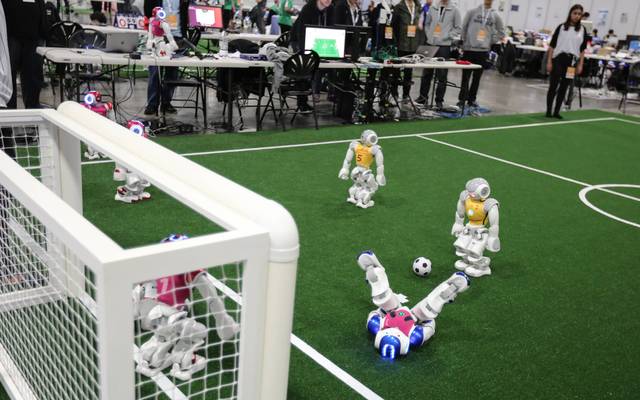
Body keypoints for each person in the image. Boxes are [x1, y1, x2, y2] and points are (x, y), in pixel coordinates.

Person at [143, 0, 188, 116]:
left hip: (176, 36)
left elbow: (187, 13)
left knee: (172, 73)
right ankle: (152, 104)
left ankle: (166, 103)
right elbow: (148, 11)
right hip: (158, 36)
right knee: (154, 72)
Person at [457, 0, 504, 109]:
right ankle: (462, 99)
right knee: (465, 77)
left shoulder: (495, 15)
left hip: (483, 51)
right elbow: (464, 27)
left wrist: (490, 41)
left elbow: (501, 32)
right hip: (469, 49)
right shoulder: (472, 12)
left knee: (477, 78)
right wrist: (464, 42)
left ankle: (471, 100)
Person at [416, 0, 461, 108]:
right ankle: (422, 97)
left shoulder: (455, 10)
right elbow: (427, 24)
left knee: (442, 75)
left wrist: (447, 36)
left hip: (444, 46)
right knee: (426, 73)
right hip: (430, 44)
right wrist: (429, 35)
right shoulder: (433, 8)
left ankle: (439, 100)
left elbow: (458, 28)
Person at [2, 0, 47, 110]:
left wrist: (43, 34)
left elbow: (41, 10)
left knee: (33, 75)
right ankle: (9, 111)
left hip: (33, 38)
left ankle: (32, 107)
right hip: (11, 37)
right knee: (9, 75)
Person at [290, 0, 334, 112]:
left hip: (317, 41)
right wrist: (305, 52)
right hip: (299, 39)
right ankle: (302, 102)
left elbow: (331, 29)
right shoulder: (308, 8)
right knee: (304, 67)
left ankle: (321, 91)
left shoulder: (330, 9)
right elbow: (301, 32)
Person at [545, 3, 586, 119]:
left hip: (572, 62)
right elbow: (552, 46)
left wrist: (580, 64)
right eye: (575, 13)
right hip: (559, 59)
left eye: (579, 14)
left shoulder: (582, 30)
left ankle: (556, 112)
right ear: (570, 14)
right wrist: (549, 61)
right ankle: (548, 111)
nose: (577, 16)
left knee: (564, 87)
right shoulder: (561, 27)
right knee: (553, 85)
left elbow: (582, 50)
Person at [393, 0, 421, 101]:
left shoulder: (418, 6)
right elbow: (394, 26)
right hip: (401, 43)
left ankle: (406, 94)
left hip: (413, 44)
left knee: (409, 71)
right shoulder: (399, 7)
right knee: (396, 70)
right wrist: (395, 42)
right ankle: (394, 92)